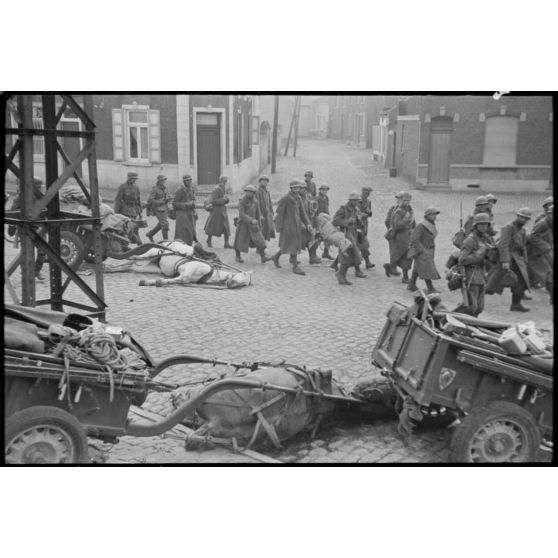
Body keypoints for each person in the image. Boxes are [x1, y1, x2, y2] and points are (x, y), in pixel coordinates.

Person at [486, 207, 532, 312]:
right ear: (518, 216)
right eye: (522, 217)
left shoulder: (523, 230)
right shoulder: (509, 227)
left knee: (520, 281)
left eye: (526, 218)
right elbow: (503, 245)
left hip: (518, 260)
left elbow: (523, 246)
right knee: (491, 283)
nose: (524, 220)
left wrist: (525, 260)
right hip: (508, 259)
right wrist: (505, 261)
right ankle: (474, 297)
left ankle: (516, 304)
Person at [272, 180, 312, 275]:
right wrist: (279, 227)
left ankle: (276, 257)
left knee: (289, 244)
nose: (296, 189)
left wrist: (308, 223)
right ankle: (295, 267)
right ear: (291, 188)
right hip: (287, 227)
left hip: (296, 226)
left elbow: (302, 212)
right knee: (293, 244)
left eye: (298, 188)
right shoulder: (285, 199)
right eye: (294, 188)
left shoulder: (298, 198)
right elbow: (279, 214)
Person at [458, 212, 494, 316]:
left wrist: (491, 253)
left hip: (481, 275)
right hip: (470, 274)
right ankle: (446, 319)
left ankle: (470, 326)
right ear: (476, 225)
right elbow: (462, 260)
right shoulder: (470, 240)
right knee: (470, 306)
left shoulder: (486, 239)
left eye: (486, 224)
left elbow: (488, 259)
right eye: (481, 224)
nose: (484, 226)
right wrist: (480, 255)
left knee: (479, 308)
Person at [11, 177, 47, 281]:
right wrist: (12, 225)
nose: (40, 188)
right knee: (26, 253)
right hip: (26, 228)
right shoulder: (22, 197)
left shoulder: (41, 197)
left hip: (40, 228)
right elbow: (13, 212)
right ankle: (24, 274)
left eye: (41, 187)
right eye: (39, 187)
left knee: (42, 251)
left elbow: (46, 211)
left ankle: (36, 271)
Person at [332, 191, 366, 285]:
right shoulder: (343, 209)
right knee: (346, 256)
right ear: (350, 200)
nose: (356, 202)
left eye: (357, 201)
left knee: (352, 256)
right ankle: (340, 275)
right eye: (354, 200)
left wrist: (360, 221)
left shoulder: (356, 209)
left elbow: (359, 222)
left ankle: (342, 275)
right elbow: (335, 221)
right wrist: (347, 221)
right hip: (345, 235)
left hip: (353, 234)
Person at [407, 207, 441, 293]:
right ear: (427, 215)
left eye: (435, 214)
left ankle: (411, 284)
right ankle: (430, 288)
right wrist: (422, 250)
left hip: (428, 249)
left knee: (418, 267)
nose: (434, 216)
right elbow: (414, 239)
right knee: (426, 268)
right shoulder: (421, 225)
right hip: (422, 250)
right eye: (432, 214)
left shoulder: (431, 224)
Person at [233, 185, 270, 264]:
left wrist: (259, 222)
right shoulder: (242, 201)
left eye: (251, 192)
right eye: (247, 192)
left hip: (253, 225)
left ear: (254, 193)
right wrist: (250, 220)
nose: (249, 194)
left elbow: (257, 212)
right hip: (243, 224)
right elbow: (241, 214)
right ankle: (237, 256)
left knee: (260, 240)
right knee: (240, 241)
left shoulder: (256, 201)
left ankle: (263, 256)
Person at [384, 191, 415, 283]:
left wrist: (414, 230)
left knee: (408, 257)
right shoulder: (398, 211)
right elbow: (396, 225)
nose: (407, 202)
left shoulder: (409, 210)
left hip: (408, 237)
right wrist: (405, 219)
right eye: (405, 200)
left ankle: (404, 276)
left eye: (408, 200)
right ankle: (392, 267)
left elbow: (413, 223)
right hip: (399, 238)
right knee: (400, 256)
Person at [527, 204, 553, 304]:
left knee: (548, 273)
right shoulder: (543, 223)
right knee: (548, 274)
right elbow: (533, 237)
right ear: (548, 214)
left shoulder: (550, 223)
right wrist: (546, 246)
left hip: (542, 252)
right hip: (534, 253)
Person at [114, 172, 143, 244]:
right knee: (127, 227)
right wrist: (116, 212)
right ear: (129, 179)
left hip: (134, 210)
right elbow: (118, 200)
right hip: (125, 210)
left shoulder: (136, 187)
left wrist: (140, 211)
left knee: (134, 226)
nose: (134, 180)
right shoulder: (123, 187)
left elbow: (138, 199)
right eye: (133, 179)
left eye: (135, 179)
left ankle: (136, 242)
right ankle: (128, 243)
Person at [204, 175, 232, 249]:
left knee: (226, 227)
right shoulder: (217, 189)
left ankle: (226, 243)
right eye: (223, 181)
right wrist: (224, 200)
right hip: (216, 211)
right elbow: (213, 201)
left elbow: (224, 198)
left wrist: (226, 200)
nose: (225, 182)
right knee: (213, 227)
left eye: (225, 181)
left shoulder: (223, 188)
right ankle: (208, 240)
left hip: (223, 210)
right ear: (220, 181)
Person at [299, 181, 321, 264]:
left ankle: (312, 258)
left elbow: (312, 208)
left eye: (305, 188)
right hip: (301, 223)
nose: (303, 190)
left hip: (308, 221)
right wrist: (302, 224)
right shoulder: (298, 198)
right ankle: (279, 256)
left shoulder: (308, 197)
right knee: (294, 243)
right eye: (301, 188)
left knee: (311, 240)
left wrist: (313, 213)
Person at [383, 192, 404, 277]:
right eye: (399, 199)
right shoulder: (393, 209)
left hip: (404, 235)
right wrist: (393, 229)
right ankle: (392, 267)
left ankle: (391, 266)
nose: (400, 201)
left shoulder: (408, 210)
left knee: (402, 252)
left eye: (402, 199)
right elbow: (387, 221)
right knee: (394, 252)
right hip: (394, 234)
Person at [173, 174, 197, 245]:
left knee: (191, 230)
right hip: (181, 213)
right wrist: (186, 204)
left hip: (190, 212)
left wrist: (193, 203)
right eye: (188, 180)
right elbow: (174, 203)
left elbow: (193, 198)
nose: (189, 182)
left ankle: (189, 245)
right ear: (184, 181)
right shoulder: (179, 190)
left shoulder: (192, 189)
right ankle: (180, 245)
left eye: (190, 180)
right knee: (183, 231)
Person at [146, 175, 171, 242]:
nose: (164, 181)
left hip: (165, 208)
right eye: (162, 180)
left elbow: (167, 196)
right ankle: (166, 240)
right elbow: (150, 200)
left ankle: (150, 234)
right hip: (157, 209)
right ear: (159, 181)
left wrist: (168, 199)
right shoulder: (155, 189)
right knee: (165, 224)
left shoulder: (165, 188)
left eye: (164, 180)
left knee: (161, 224)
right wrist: (161, 201)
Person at [358, 185, 375, 269]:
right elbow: (354, 212)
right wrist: (362, 214)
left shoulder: (368, 201)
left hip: (364, 224)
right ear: (362, 192)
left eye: (368, 193)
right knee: (362, 243)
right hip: (357, 225)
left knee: (358, 244)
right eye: (365, 193)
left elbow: (370, 214)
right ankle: (367, 262)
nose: (367, 195)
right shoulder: (358, 200)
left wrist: (369, 212)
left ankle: (336, 263)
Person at [255, 175, 275, 242]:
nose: (265, 182)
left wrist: (271, 212)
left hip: (267, 214)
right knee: (261, 231)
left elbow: (269, 202)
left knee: (266, 230)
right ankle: (259, 248)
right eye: (263, 181)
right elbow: (256, 204)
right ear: (260, 182)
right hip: (261, 214)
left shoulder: (267, 191)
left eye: (266, 181)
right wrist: (260, 214)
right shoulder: (257, 191)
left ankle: (262, 246)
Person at [317, 184, 334, 260]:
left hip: (326, 219)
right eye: (323, 190)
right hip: (319, 219)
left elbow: (327, 208)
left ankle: (326, 252)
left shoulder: (326, 197)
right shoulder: (317, 198)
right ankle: (313, 254)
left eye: (326, 190)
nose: (324, 191)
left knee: (329, 235)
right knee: (318, 237)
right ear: (320, 190)